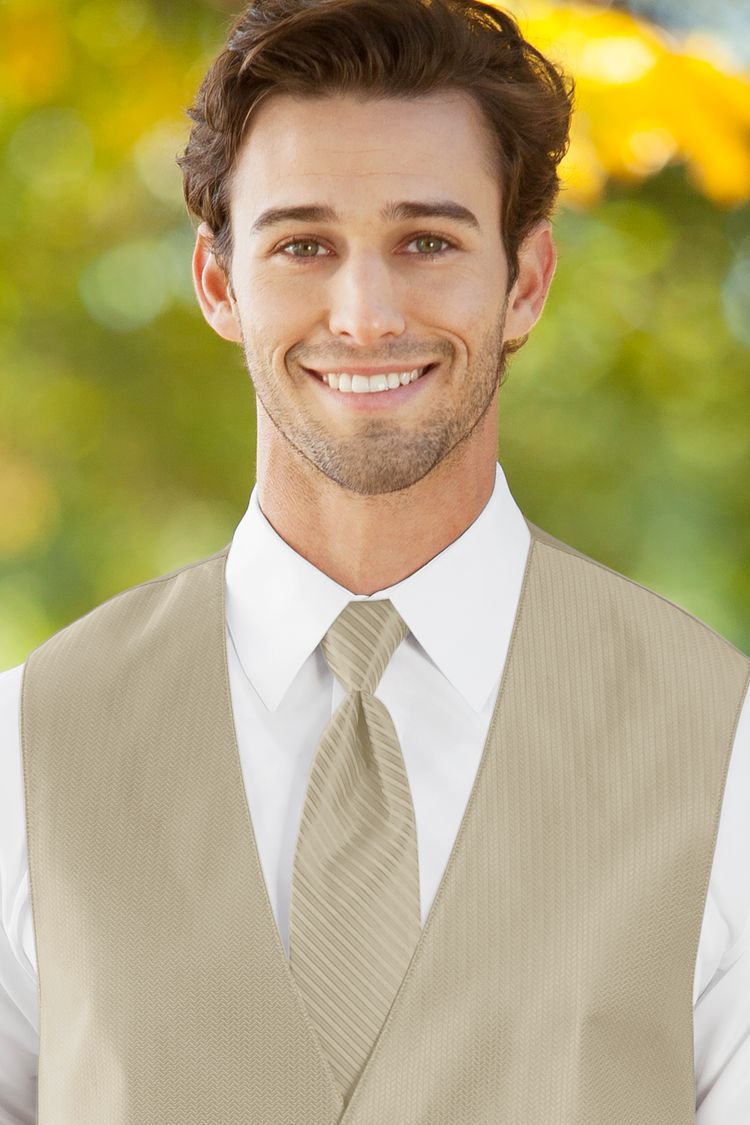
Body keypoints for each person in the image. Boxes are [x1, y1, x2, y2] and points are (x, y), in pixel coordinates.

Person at [0, 0, 748, 1120]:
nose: (363, 314)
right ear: (219, 284)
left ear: (526, 284)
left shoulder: (726, 754)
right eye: (304, 244)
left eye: (428, 242)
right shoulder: (26, 750)